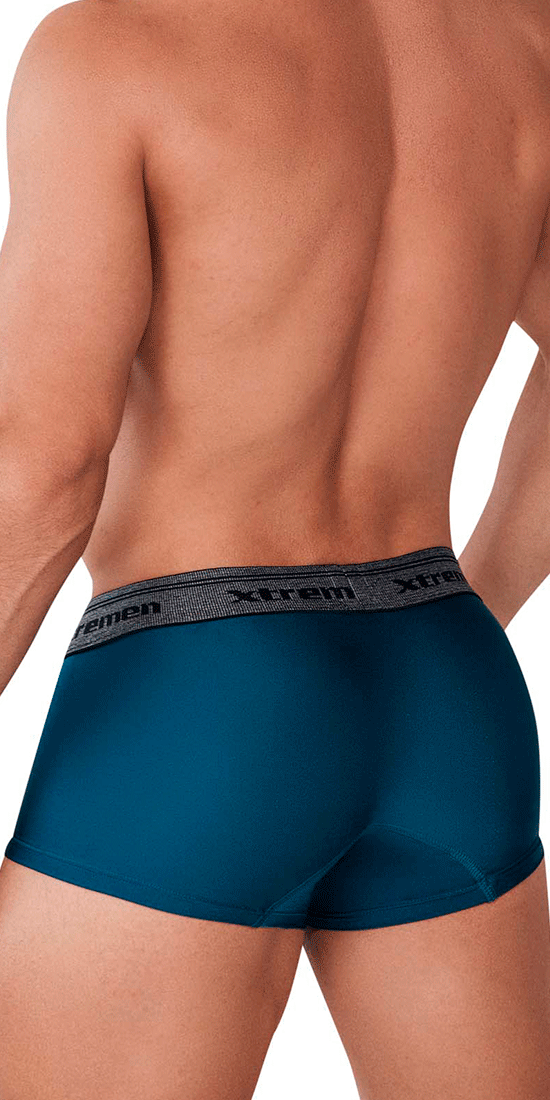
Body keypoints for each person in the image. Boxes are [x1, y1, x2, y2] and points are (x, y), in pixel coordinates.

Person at [0, 0, 549, 1096]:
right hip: (447, 683)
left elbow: (45, 468)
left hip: (197, 700)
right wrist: (471, 609)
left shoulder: (117, 46)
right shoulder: (520, 40)